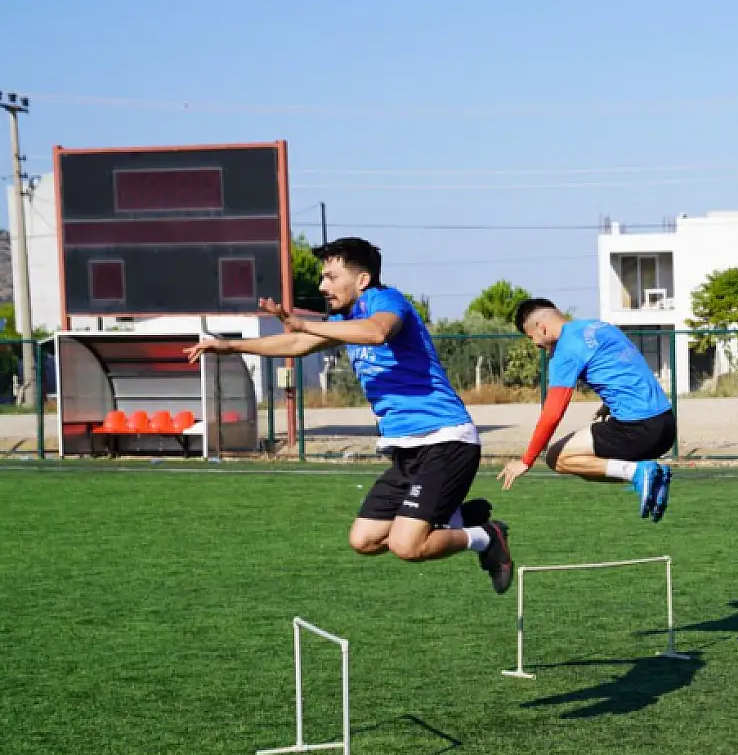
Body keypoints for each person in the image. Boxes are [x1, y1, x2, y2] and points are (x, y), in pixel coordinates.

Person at [186, 237, 514, 591]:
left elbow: (376, 333)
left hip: (445, 440)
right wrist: (229, 345)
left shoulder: (386, 301)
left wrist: (302, 323)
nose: (323, 285)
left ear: (362, 280)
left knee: (407, 545)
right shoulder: (345, 318)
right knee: (365, 540)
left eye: (331, 276)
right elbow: (296, 344)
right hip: (406, 450)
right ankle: (459, 515)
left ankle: (486, 536)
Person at [497, 299, 675, 520]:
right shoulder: (599, 327)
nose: (536, 345)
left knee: (557, 457)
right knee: (595, 466)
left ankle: (639, 472)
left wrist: (526, 461)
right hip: (666, 424)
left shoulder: (565, 351)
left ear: (541, 328)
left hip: (637, 429)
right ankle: (649, 476)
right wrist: (609, 404)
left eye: (532, 337)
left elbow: (552, 414)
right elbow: (628, 366)